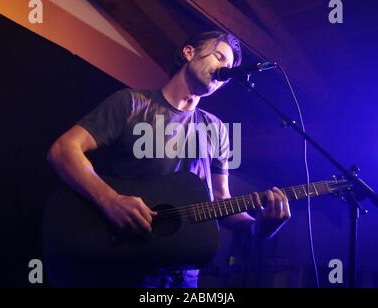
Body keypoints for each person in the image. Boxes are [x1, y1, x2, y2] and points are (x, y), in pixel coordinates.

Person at [47, 31, 291, 288]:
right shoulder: (130, 104)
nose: (224, 70)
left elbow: (221, 200)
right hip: (123, 266)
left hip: (183, 275)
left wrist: (258, 228)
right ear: (189, 52)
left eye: (229, 68)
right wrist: (110, 200)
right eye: (219, 57)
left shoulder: (218, 130)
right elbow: (63, 150)